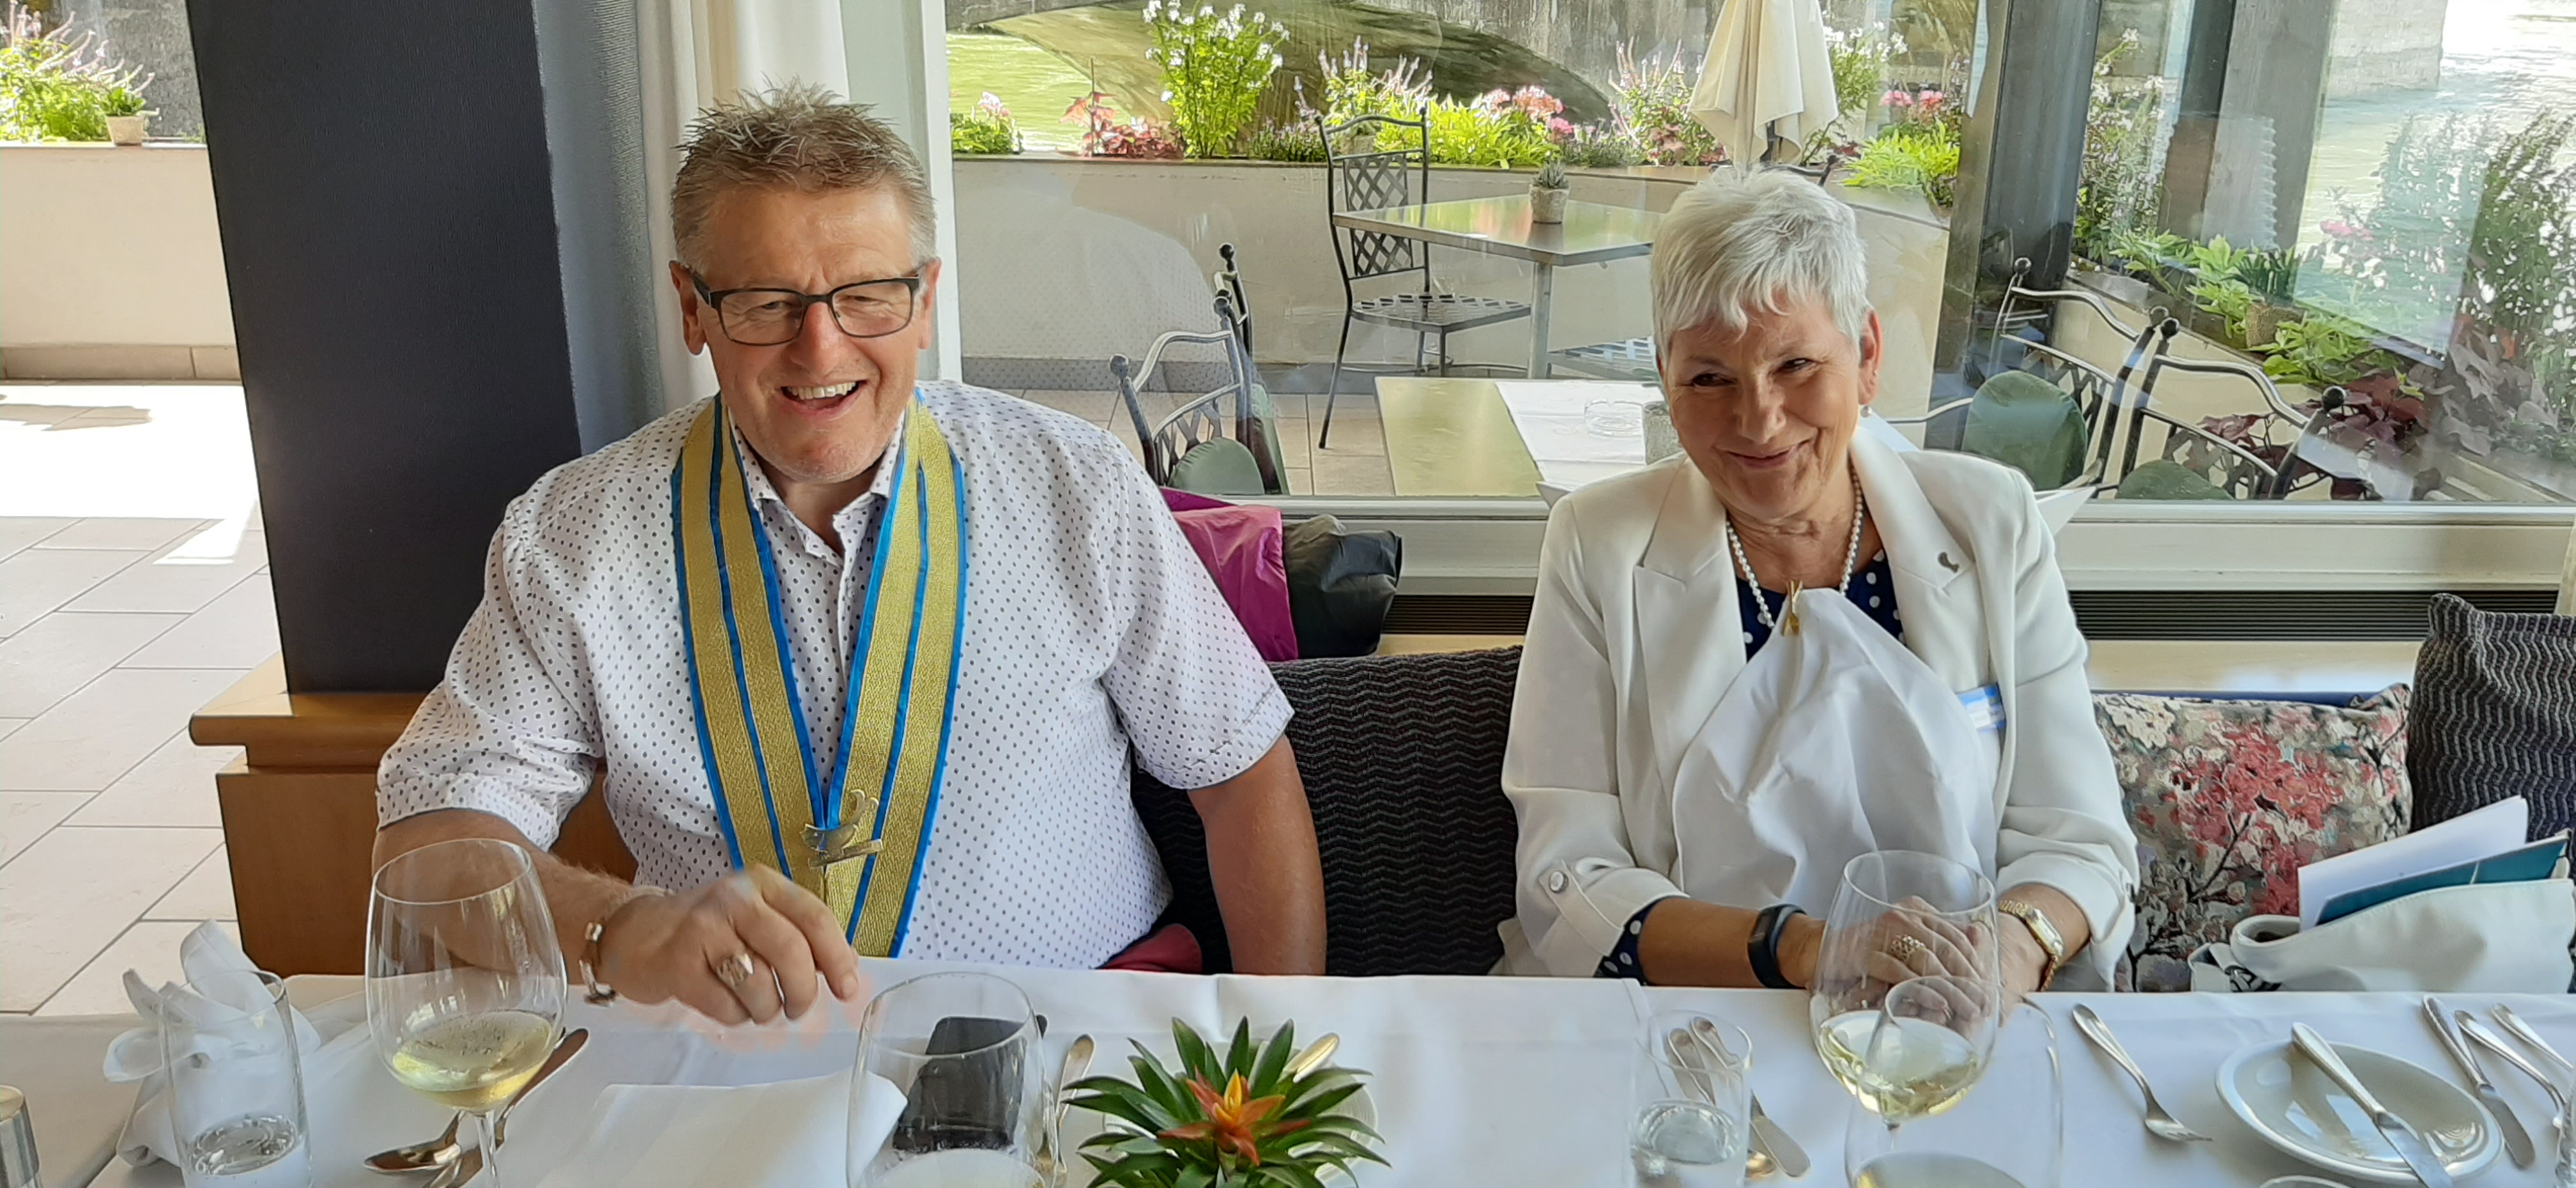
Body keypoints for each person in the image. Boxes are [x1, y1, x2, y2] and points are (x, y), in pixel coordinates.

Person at [374, 86, 1326, 1026]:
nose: (821, 350)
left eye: (867, 296)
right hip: (732, 1053)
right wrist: (618, 929)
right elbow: (424, 842)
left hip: (1078, 1035)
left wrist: (1278, 1064)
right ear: (693, 308)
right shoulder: (569, 536)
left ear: (926, 301)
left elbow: (1243, 776)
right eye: (767, 303)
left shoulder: (1077, 485)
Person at [1499, 171, 2137, 993]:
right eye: (1709, 378)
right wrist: (1804, 951)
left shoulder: (1991, 525)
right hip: (1694, 1012)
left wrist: (2007, 954)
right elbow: (1569, 878)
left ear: (1867, 356)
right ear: (1664, 376)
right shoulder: (1599, 543)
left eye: (1795, 364)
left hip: (1955, 1014)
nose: (1759, 420)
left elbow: (2080, 839)